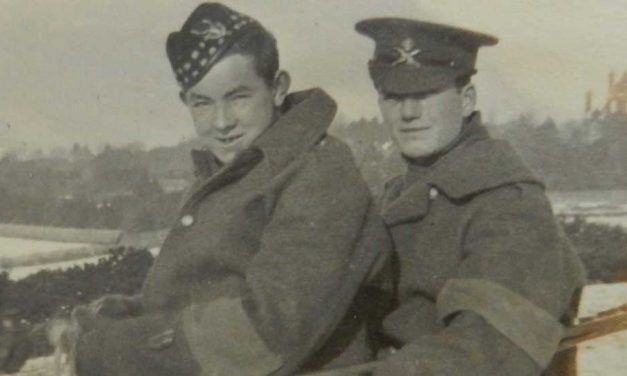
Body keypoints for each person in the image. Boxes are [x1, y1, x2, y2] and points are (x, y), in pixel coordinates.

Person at [67, 4, 390, 376]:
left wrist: (108, 350)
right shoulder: (234, 170)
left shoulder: (319, 173)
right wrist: (122, 316)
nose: (221, 123)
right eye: (202, 102)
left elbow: (268, 333)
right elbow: (202, 294)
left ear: (278, 87)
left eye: (239, 98)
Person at [355, 18, 586, 376]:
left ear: (465, 100)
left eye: (425, 94)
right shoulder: (401, 193)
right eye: (393, 96)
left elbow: (489, 348)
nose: (408, 113)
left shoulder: (507, 201)